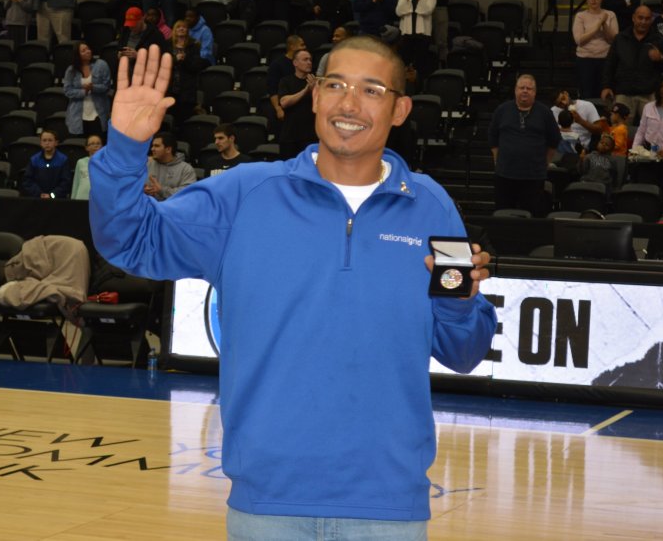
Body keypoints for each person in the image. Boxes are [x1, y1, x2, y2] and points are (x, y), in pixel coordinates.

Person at [89, 39, 496, 541]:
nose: (349, 104)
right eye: (336, 86)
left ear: (400, 109)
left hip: (389, 508)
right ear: (316, 97)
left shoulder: (433, 206)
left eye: (372, 90)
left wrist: (462, 304)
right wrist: (126, 149)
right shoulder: (244, 195)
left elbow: (465, 350)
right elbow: (128, 239)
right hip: (267, 507)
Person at [489, 74, 562, 217]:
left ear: (535, 92)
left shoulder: (545, 113)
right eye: (521, 87)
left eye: (529, 88)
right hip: (505, 175)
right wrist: (497, 160)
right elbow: (492, 137)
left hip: (533, 177)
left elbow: (554, 140)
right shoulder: (502, 110)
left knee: (531, 216)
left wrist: (544, 162)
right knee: (502, 214)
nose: (525, 91)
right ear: (515, 90)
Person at [601, 5, 663, 123]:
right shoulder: (620, 38)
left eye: (647, 19)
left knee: (654, 130)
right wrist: (606, 86)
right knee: (618, 131)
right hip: (624, 93)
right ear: (633, 18)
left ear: (651, 20)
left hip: (649, 93)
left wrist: (661, 57)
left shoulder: (659, 39)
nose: (643, 22)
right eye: (640, 18)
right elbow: (610, 64)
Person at [572, 0, 618, 99]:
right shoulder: (580, 16)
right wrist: (598, 25)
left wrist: (604, 24)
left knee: (604, 93)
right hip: (585, 59)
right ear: (587, 0)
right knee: (586, 94)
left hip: (605, 58)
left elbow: (613, 39)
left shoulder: (610, 14)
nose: (594, 0)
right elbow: (579, 40)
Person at [396, 0, 436, 87]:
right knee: (404, 66)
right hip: (406, 34)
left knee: (420, 66)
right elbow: (399, 11)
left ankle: (419, 90)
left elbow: (427, 11)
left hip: (422, 35)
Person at [63, 41, 112, 136]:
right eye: (83, 51)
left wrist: (93, 87)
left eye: (88, 49)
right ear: (77, 55)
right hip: (78, 113)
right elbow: (67, 91)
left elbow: (107, 86)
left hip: (98, 111)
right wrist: (83, 91)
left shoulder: (101, 64)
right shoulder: (71, 70)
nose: (88, 51)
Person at [278, 48, 317, 159]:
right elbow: (284, 103)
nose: (309, 62)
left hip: (311, 137)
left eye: (310, 60)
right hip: (290, 136)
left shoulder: (316, 82)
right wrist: (306, 90)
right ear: (295, 63)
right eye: (305, 59)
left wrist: (314, 90)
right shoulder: (286, 81)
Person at [165, 19, 203, 129]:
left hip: (187, 90)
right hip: (170, 89)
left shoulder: (194, 45)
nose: (181, 29)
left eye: (184, 27)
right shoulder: (167, 45)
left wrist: (185, 59)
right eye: (178, 27)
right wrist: (175, 60)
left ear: (187, 30)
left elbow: (196, 66)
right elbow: (163, 64)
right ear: (174, 30)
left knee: (184, 122)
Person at [267, 34, 306, 137]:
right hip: (285, 110)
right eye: (301, 45)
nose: (304, 47)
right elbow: (272, 89)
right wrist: (278, 108)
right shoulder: (277, 65)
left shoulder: (304, 64)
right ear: (292, 46)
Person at [145, 131, 196, 200]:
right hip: (147, 207)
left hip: (172, 209)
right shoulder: (146, 165)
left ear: (168, 149)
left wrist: (162, 190)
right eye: (152, 146)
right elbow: (133, 185)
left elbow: (188, 194)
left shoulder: (186, 169)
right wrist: (143, 190)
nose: (152, 149)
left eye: (156, 146)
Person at [21, 129, 71, 199]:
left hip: (57, 200)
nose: (47, 143)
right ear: (40, 143)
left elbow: (66, 183)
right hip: (38, 199)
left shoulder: (63, 160)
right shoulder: (34, 159)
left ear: (56, 142)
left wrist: (52, 195)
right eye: (44, 140)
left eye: (50, 140)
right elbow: (28, 181)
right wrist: (39, 194)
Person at [580, 132, 617, 199]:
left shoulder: (612, 160)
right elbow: (583, 171)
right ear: (597, 143)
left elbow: (613, 174)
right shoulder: (589, 156)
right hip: (587, 183)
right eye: (601, 142)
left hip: (602, 186)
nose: (603, 145)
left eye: (607, 145)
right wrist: (581, 160)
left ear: (611, 149)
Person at [71, 134, 104, 199]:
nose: (96, 145)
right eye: (92, 143)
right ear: (87, 147)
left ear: (102, 147)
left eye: (98, 143)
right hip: (81, 198)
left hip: (99, 199)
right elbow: (76, 183)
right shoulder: (80, 162)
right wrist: (73, 200)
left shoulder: (106, 163)